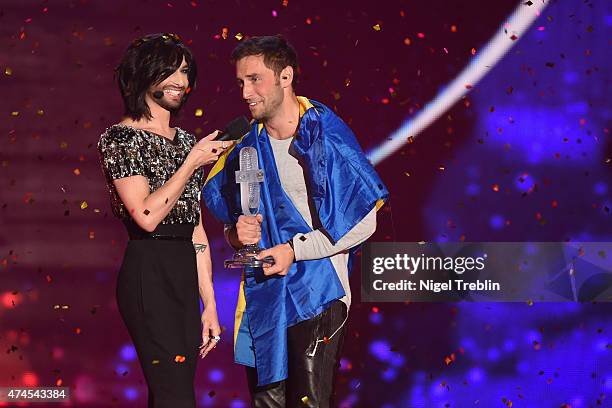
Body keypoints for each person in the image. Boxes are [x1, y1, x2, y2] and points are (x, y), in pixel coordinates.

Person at [202, 35, 389, 407]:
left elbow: (363, 222)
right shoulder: (245, 147)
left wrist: (294, 250)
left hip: (319, 294)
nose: (245, 92)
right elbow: (235, 222)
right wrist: (236, 235)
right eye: (241, 82)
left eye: (255, 79)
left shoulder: (325, 137)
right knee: (267, 402)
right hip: (263, 296)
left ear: (285, 76)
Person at [97, 33, 231, 407]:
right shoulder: (121, 138)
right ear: (143, 76)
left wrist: (210, 304)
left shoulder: (187, 141)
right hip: (148, 274)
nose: (182, 81)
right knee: (176, 396)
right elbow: (146, 215)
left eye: (186, 72)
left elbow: (196, 228)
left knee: (170, 393)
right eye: (171, 71)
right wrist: (191, 164)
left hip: (183, 276)